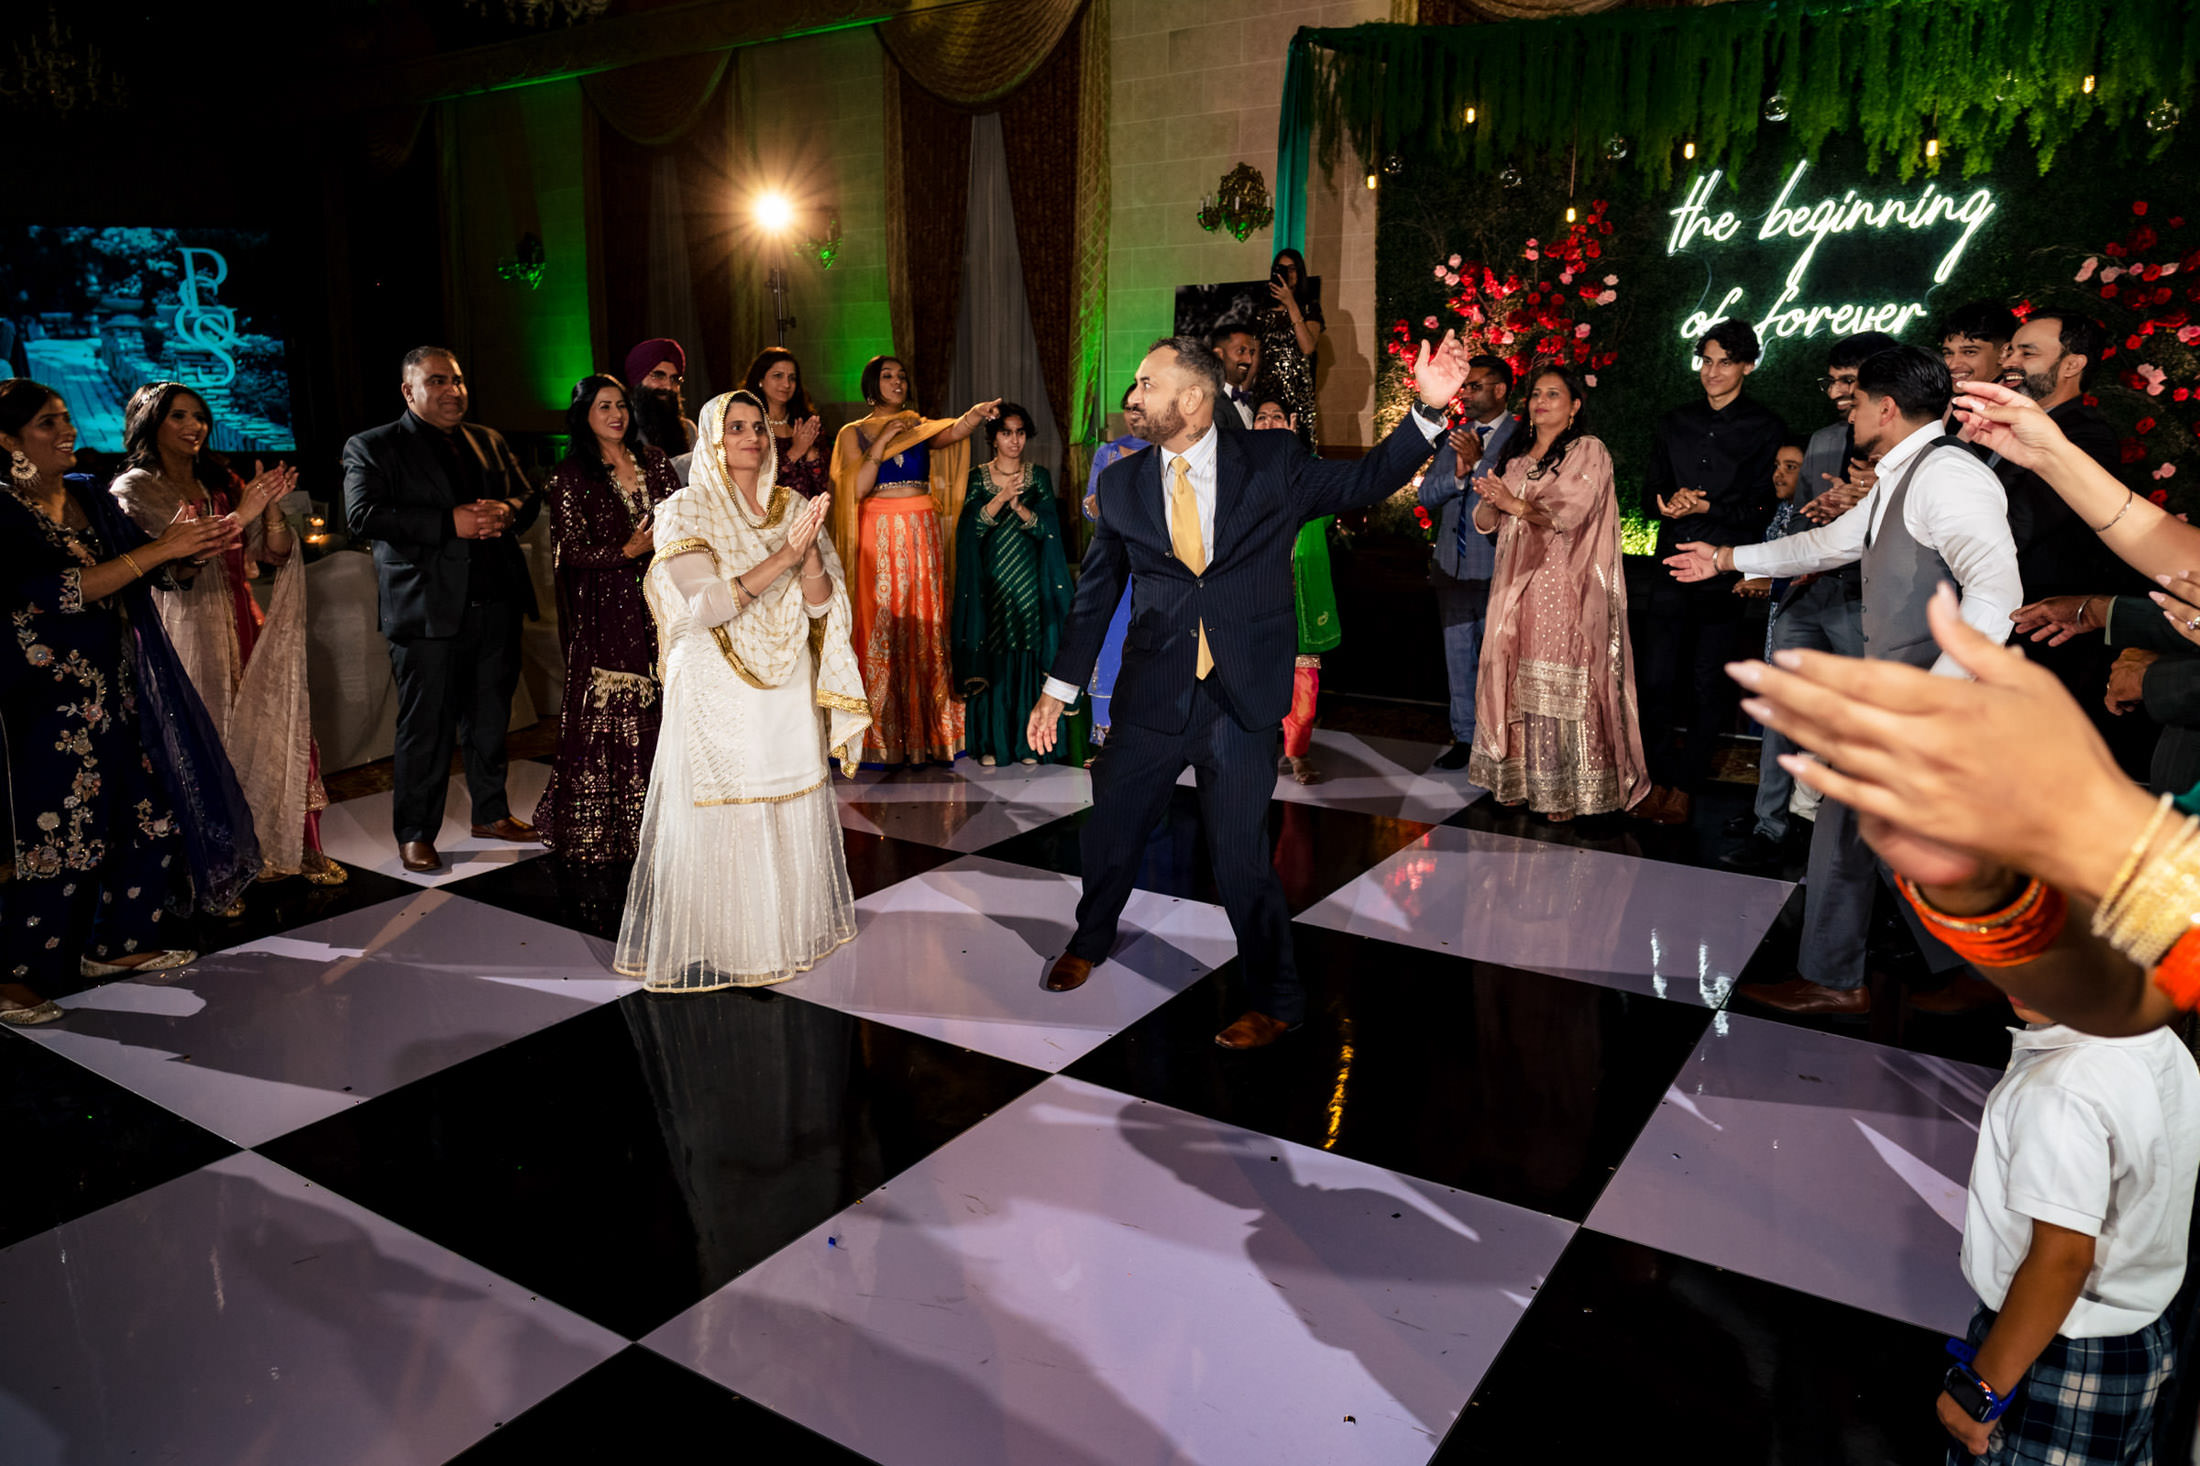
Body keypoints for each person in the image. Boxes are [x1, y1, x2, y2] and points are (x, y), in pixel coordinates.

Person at [1025, 332, 1468, 1049]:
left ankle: (1277, 998)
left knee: (1240, 859)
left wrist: (1426, 409)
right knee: (1112, 830)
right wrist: (1059, 687)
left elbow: (1362, 483)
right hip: (1153, 696)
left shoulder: (1272, 463)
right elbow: (1097, 592)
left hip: (1241, 699)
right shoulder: (1121, 483)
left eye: (1146, 384)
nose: (1132, 397)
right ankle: (1090, 938)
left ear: (1192, 400)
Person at [1668, 345, 2022, 1017]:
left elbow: (1997, 595)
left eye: (1857, 399)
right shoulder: (1904, 471)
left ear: (1886, 408)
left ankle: (1937, 973)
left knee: (1879, 834)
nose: (1848, 410)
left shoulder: (1948, 475)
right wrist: (1724, 557)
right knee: (1862, 832)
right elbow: (1828, 544)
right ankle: (1905, 971)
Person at [0, 380, 252, 1024]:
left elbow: (157, 571)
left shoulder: (87, 493)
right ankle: (17, 977)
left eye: (65, 418)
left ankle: (116, 944)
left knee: (151, 812)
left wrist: (189, 547)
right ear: (6, 440)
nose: (66, 430)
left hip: (120, 685)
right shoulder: (1, 511)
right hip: (47, 702)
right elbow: (49, 592)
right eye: (46, 423)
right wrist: (157, 550)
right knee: (60, 833)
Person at [613, 390, 870, 991]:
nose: (752, 437)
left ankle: (785, 933)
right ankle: (733, 942)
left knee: (786, 798)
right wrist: (786, 553)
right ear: (712, 438)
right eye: (736, 427)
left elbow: (821, 606)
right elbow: (704, 605)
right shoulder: (686, 509)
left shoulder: (794, 504)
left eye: (758, 426)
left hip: (786, 684)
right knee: (735, 805)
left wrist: (806, 555)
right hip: (717, 683)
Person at [1938, 987, 2198, 1463]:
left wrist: (1983, 1389)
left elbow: (2061, 1260)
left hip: (2053, 1353)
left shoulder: (2060, 1089)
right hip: (2138, 1341)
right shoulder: (2156, 1040)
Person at [109, 383, 343, 893]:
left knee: (271, 728)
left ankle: (290, 847)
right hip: (185, 631)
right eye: (179, 417)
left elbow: (274, 553)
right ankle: (212, 866)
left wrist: (272, 508)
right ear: (151, 423)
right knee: (205, 742)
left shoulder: (221, 481)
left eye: (200, 416)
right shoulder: (135, 490)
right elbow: (176, 565)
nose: (195, 426)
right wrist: (245, 511)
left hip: (243, 620)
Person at [342, 346, 544, 873]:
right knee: (425, 728)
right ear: (409, 391)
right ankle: (415, 832)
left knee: (490, 720)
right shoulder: (372, 446)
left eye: (457, 380)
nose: (453, 390)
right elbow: (361, 515)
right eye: (437, 381)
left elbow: (529, 494)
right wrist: (446, 523)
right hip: (426, 611)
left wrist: (508, 510)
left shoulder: (488, 439)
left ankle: (491, 812)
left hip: (495, 602)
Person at [1721, 330, 1895, 873]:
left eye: (1851, 381)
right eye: (1834, 381)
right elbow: (1797, 521)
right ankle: (1770, 825)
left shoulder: (1908, 445)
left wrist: (1867, 500)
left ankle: (1837, 840)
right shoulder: (1821, 440)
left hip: (1866, 601)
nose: (1839, 392)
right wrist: (1818, 515)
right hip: (1807, 594)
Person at [1465, 366, 1646, 821]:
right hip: (1514, 585)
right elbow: (1487, 525)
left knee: (1556, 679)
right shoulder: (1518, 458)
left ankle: (1567, 788)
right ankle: (1521, 779)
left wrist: (1517, 504)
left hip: (1564, 582)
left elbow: (1572, 512)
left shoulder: (1588, 451)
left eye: (1553, 394)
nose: (1540, 401)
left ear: (1575, 406)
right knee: (1513, 676)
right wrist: (1491, 499)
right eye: (1536, 394)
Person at [1638, 318, 1786, 825]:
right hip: (1669, 568)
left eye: (1725, 362)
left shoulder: (1765, 428)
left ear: (1747, 365)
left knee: (1707, 682)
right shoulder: (1672, 421)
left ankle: (1686, 785)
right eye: (1707, 360)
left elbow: (1765, 508)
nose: (1713, 371)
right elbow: (1647, 495)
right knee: (1656, 680)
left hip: (1723, 573)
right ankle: (1654, 778)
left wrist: (1707, 508)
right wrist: (1668, 503)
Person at [531, 374, 678, 864]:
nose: (616, 415)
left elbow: (685, 517)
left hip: (665, 600)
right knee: (622, 711)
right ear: (584, 417)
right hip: (608, 609)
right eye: (603, 408)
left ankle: (677, 820)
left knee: (670, 701)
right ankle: (623, 827)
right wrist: (627, 549)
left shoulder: (654, 461)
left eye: (620, 405)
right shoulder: (572, 474)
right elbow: (570, 551)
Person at [825, 354, 998, 766]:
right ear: (871, 385)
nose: (897, 382)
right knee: (881, 622)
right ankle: (878, 739)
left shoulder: (918, 425)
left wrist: (974, 415)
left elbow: (952, 432)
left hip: (922, 530)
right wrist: (884, 440)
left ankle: (930, 736)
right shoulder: (853, 432)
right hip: (878, 531)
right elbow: (856, 488)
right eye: (887, 376)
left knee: (926, 624)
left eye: (902, 376)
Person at [952, 403, 1071, 767]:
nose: (1014, 440)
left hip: (1029, 584)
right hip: (991, 583)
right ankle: (991, 743)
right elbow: (969, 532)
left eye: (1020, 433)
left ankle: (1027, 744)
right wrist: (1001, 498)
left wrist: (1020, 508)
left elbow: (1049, 531)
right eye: (1006, 433)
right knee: (994, 654)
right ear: (993, 438)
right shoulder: (976, 478)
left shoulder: (1039, 476)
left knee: (1028, 656)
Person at [1418, 355, 1518, 771]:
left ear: (1500, 390)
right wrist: (1459, 475)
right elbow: (1426, 496)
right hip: (1452, 567)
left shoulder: (1522, 435)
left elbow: (1517, 496)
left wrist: (1480, 464)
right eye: (1467, 386)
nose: (1468, 394)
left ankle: (1502, 742)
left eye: (1477, 386)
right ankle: (1464, 737)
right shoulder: (1455, 435)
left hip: (1499, 569)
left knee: (1500, 661)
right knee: (1458, 656)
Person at [1253, 395, 1342, 785]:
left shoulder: (1310, 470)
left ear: (1291, 424)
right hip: (1251, 593)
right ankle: (1250, 755)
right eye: (1261, 417)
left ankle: (1297, 752)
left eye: (1277, 417)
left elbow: (1327, 514)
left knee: (1303, 689)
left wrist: (1291, 461)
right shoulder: (1233, 470)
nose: (1269, 423)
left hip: (1298, 591)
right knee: (1249, 680)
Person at [1082, 386, 1149, 748]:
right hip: (1113, 560)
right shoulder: (1108, 452)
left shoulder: (1165, 451)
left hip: (1151, 565)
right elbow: (1088, 506)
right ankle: (1105, 733)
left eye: (1140, 408)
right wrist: (1096, 504)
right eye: (1129, 408)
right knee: (1110, 641)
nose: (1134, 415)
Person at [1260, 248, 1324, 454]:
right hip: (1266, 391)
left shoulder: (1309, 309)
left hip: (1298, 393)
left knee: (1298, 451)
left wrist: (1290, 304)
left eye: (1292, 269)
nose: (1288, 274)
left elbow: (1307, 347)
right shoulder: (1262, 311)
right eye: (1282, 269)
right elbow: (1255, 352)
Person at [741, 347, 827, 500]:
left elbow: (826, 488)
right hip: (768, 519)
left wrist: (811, 455)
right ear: (760, 380)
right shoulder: (749, 427)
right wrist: (795, 452)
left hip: (810, 517)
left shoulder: (807, 425)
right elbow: (753, 485)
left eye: (792, 378)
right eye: (778, 376)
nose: (786, 384)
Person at [626, 338, 697, 455]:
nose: (668, 387)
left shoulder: (689, 430)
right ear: (637, 381)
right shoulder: (622, 429)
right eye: (658, 376)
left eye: (674, 379)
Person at [1939, 300, 2021, 389]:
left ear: (2003, 353)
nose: (1952, 365)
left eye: (1969, 352)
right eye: (1948, 353)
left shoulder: (2022, 400)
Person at [1211, 325, 1261, 431]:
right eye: (1241, 351)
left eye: (1251, 353)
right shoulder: (1211, 403)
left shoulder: (1252, 400)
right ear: (1219, 354)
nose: (1249, 360)